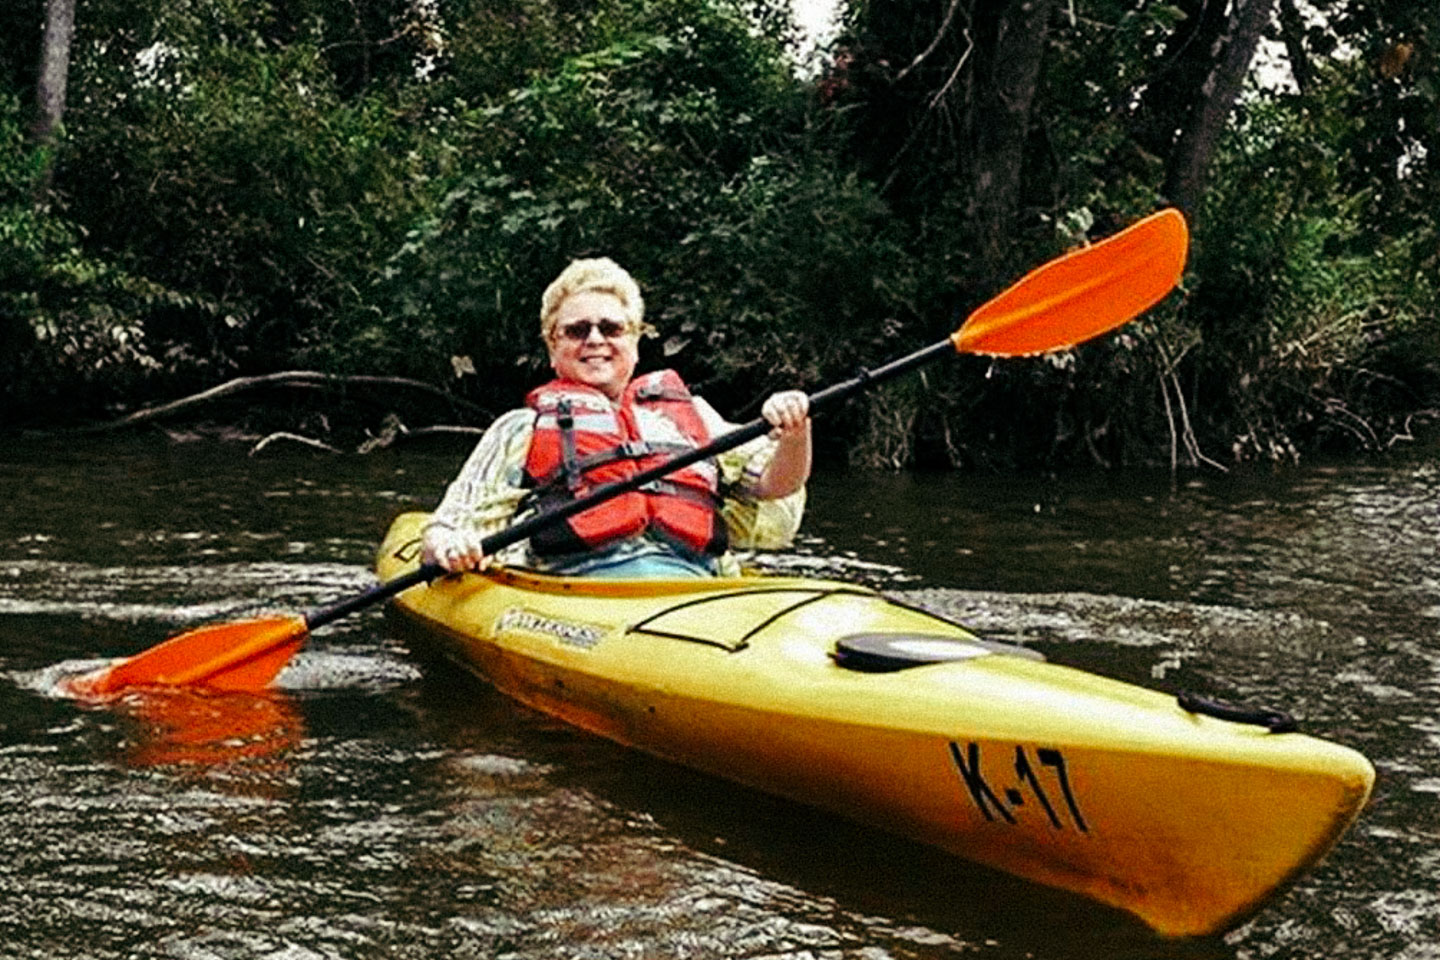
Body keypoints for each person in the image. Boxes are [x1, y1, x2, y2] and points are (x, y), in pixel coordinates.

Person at [422, 257, 811, 578]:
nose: (594, 340)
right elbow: (446, 528)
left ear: (634, 343)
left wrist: (795, 431)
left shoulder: (695, 418)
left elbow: (777, 484)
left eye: (610, 328)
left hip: (694, 589)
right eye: (576, 330)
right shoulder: (521, 429)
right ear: (553, 347)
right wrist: (449, 546)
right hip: (577, 591)